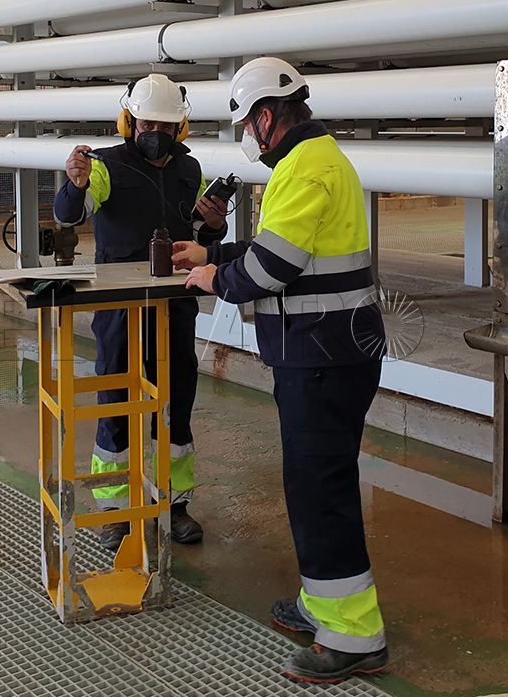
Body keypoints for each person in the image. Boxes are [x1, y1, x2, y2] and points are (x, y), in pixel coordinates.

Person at [171, 57, 389, 684]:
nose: (247, 138)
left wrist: (215, 276)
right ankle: (321, 602)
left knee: (321, 492)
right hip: (327, 352)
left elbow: (271, 270)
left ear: (266, 117)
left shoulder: (304, 169)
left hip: (322, 357)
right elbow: (287, 250)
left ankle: (354, 636)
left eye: (246, 125)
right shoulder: (315, 162)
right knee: (313, 485)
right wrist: (212, 251)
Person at [53, 73, 228, 551]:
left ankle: (174, 502)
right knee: (116, 402)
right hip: (119, 306)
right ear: (129, 120)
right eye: (147, 123)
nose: (156, 132)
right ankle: (116, 511)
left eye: (166, 126)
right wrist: (74, 184)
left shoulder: (190, 171)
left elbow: (197, 233)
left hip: (174, 303)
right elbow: (72, 213)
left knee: (175, 402)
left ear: (180, 128)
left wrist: (213, 225)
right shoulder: (106, 166)